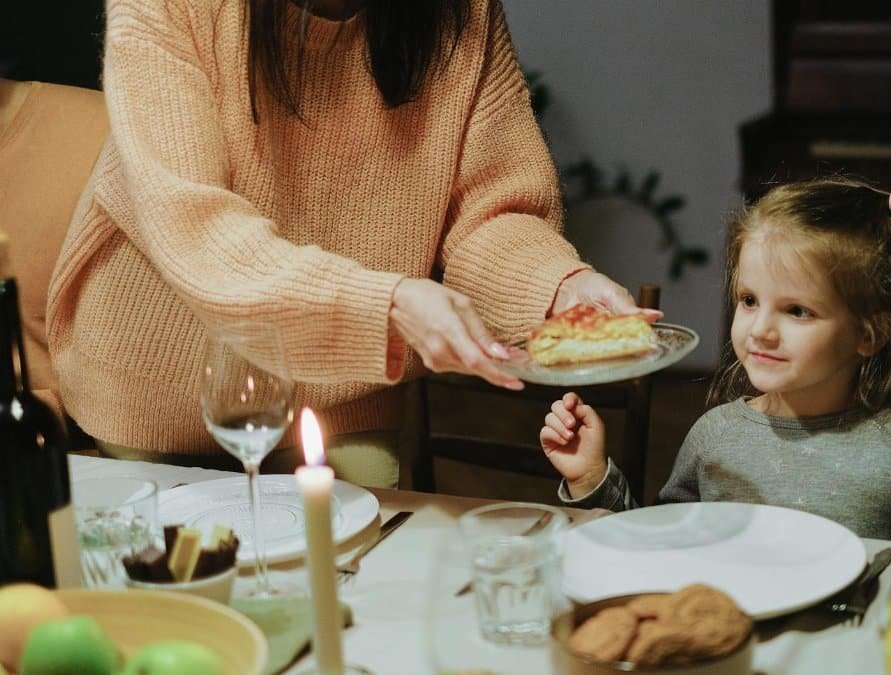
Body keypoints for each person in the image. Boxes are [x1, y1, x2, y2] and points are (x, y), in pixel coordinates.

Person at [46, 0, 654, 487]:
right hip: (160, 375)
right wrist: (384, 306)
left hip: (341, 386)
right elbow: (194, 226)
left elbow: (489, 213)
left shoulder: (462, 14)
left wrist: (557, 285)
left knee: (365, 579)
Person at [539, 178, 891, 543]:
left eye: (798, 311)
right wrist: (591, 476)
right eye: (747, 300)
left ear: (869, 334)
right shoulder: (713, 434)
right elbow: (656, 547)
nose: (760, 328)